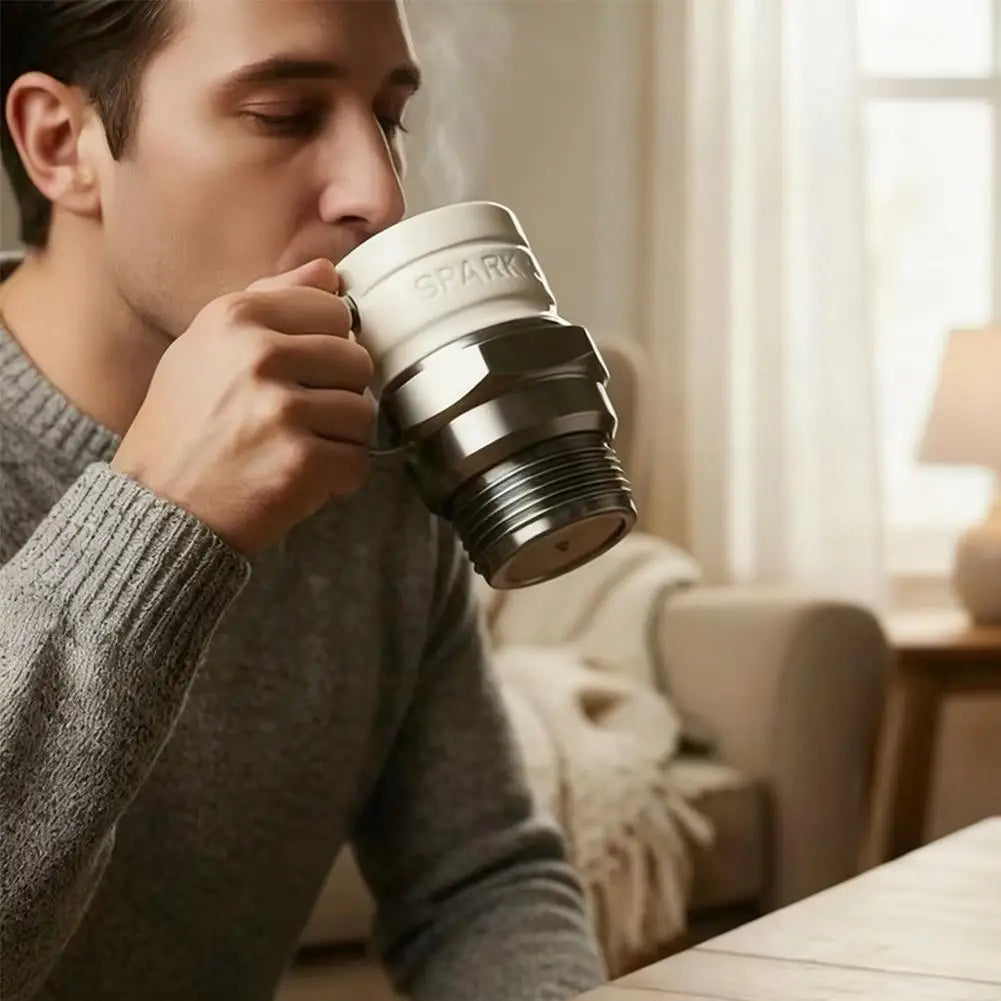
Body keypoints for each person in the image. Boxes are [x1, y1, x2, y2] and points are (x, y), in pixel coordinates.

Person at [0, 2, 607, 999]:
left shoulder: (369, 455)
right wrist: (159, 517)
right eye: (282, 113)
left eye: (389, 118)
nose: (378, 192)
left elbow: (476, 881)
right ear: (63, 145)